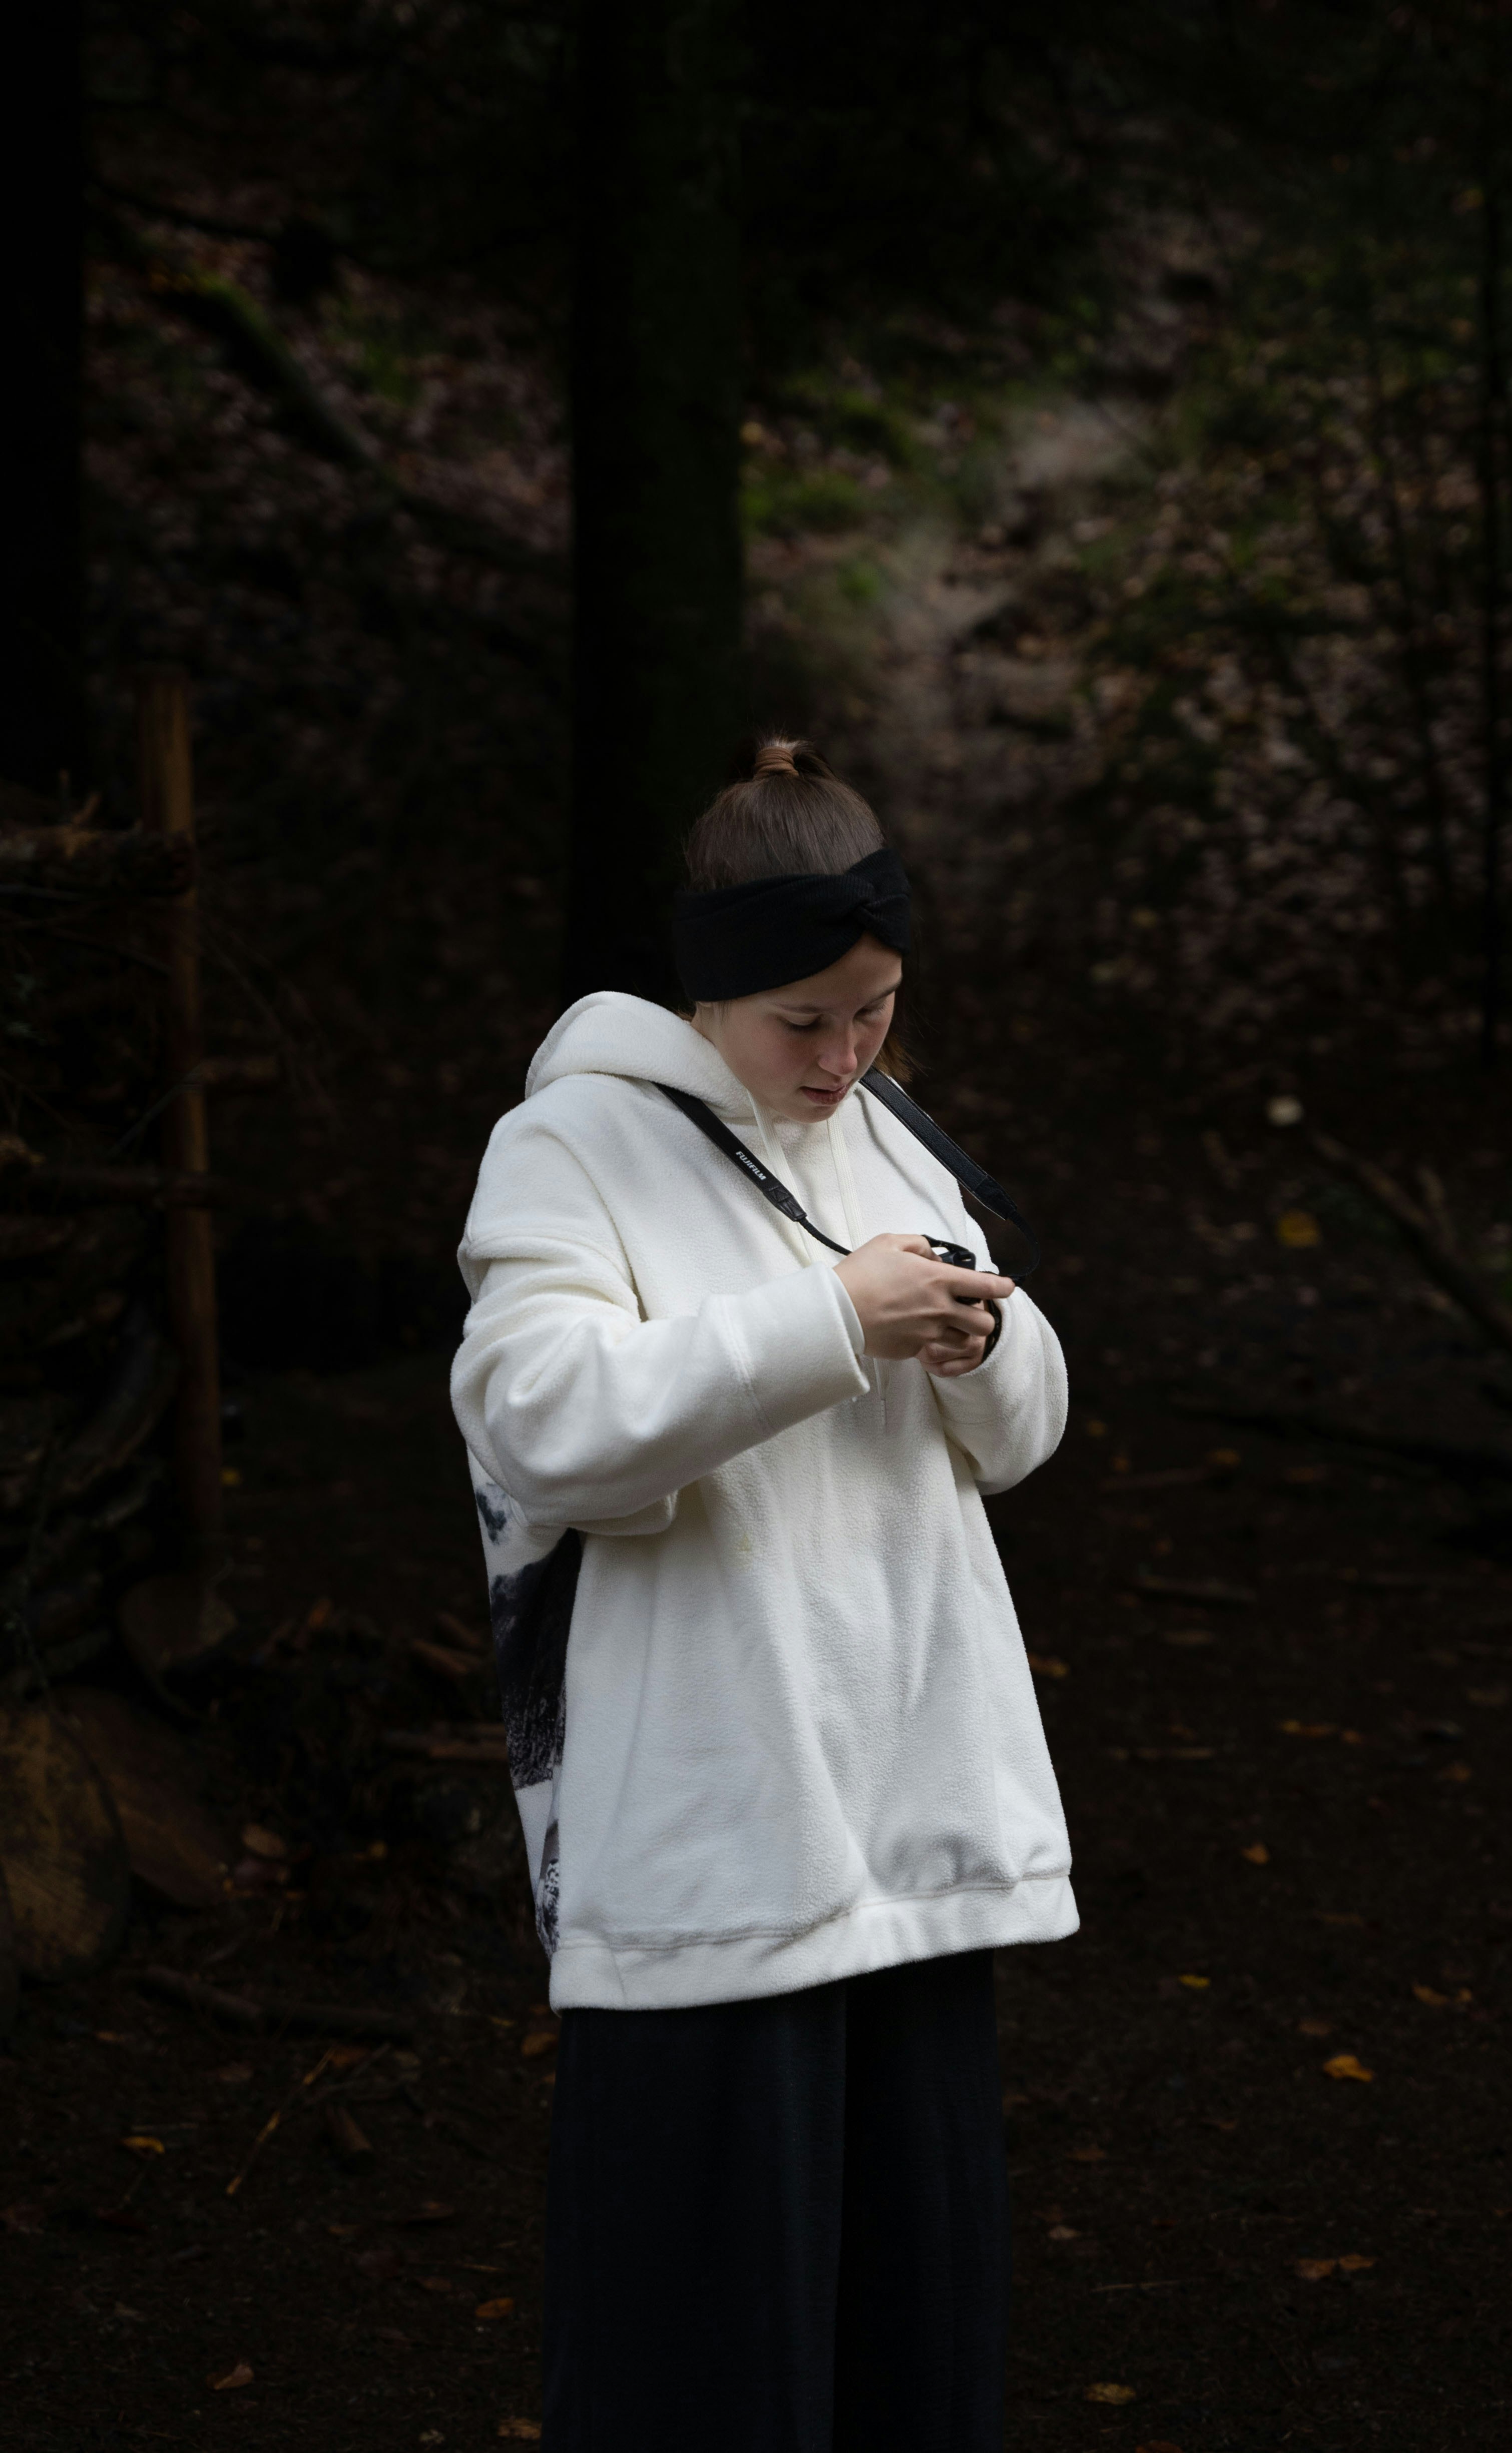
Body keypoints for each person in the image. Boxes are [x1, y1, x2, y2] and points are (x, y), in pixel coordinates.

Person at [450, 737, 1076, 2452]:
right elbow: (538, 1424)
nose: (844, 1054)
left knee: (911, 2358)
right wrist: (831, 1326)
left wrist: (978, 1336)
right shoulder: (575, 1144)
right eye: (804, 1018)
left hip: (917, 1829)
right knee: (700, 2371)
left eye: (874, 1009)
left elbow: (1017, 1446)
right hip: (719, 1846)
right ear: (712, 991)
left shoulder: (888, 1142)